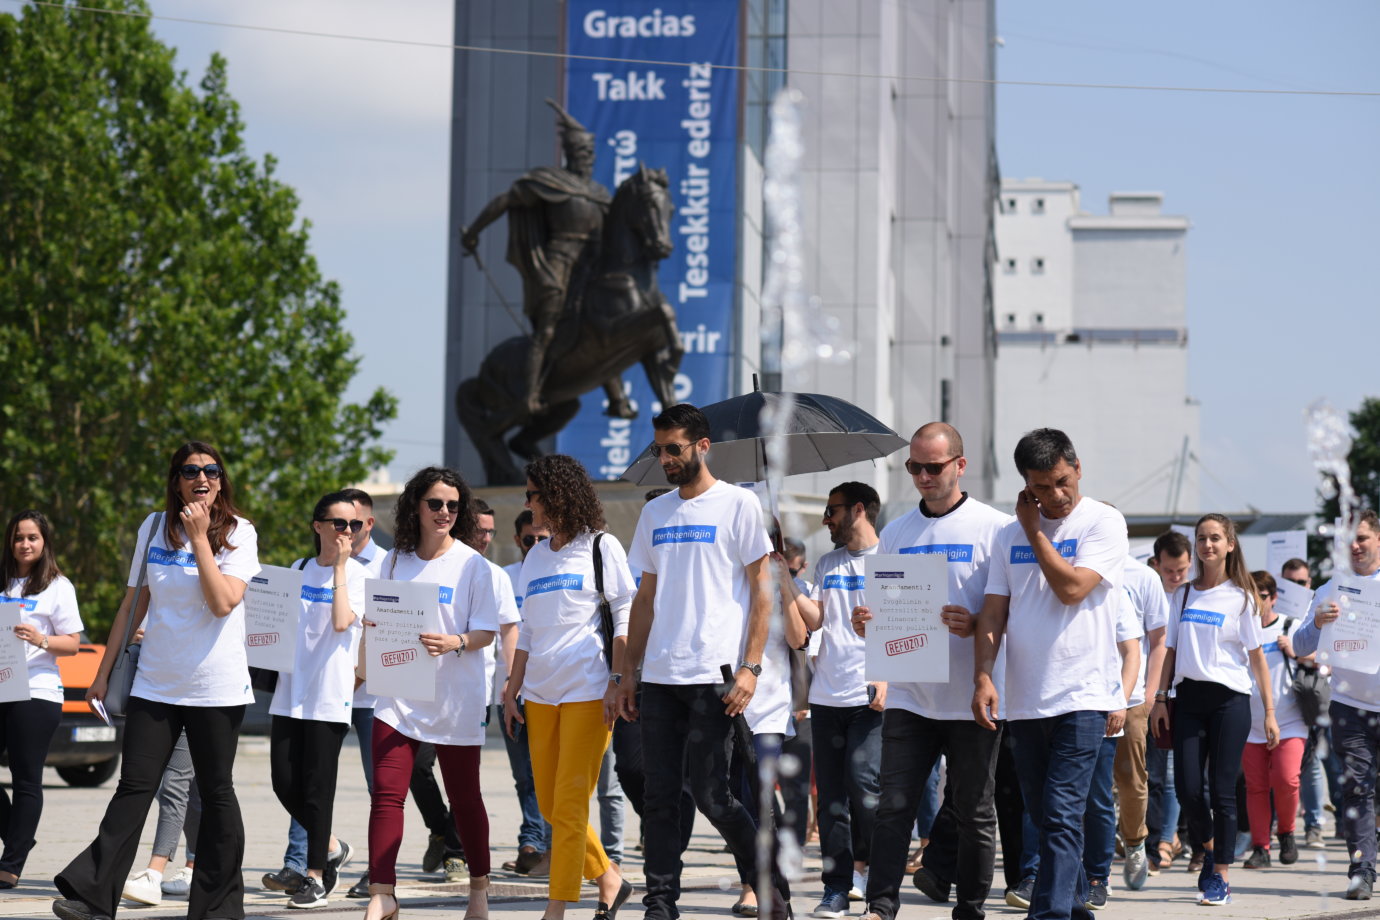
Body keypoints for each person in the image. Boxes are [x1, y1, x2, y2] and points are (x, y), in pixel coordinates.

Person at [54, 441, 261, 920]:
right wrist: (102, 673)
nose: (202, 478)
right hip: (155, 683)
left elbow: (223, 603)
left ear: (221, 481)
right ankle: (92, 897)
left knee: (216, 793)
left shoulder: (240, 532)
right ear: (176, 481)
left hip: (215, 687)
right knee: (134, 787)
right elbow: (132, 604)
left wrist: (201, 538)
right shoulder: (152, 527)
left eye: (211, 470)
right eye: (191, 471)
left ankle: (218, 908)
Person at [614, 403, 793, 920]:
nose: (666, 459)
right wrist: (628, 674)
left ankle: (769, 883)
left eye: (674, 449)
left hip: (715, 678)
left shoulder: (738, 505)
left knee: (716, 797)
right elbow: (644, 600)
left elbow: (762, 593)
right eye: (659, 450)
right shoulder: (655, 513)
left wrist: (751, 667)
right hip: (660, 679)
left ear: (703, 446)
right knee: (660, 798)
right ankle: (660, 903)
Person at [850, 423, 1010, 920]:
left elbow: (1012, 611)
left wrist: (976, 623)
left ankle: (970, 908)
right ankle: (880, 906)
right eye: (914, 466)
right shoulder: (896, 532)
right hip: (910, 696)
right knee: (893, 806)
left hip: (971, 697)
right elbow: (881, 614)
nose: (923, 475)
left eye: (933, 466)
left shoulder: (996, 528)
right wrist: (867, 623)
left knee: (974, 811)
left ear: (960, 465)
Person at [972, 428, 1129, 920]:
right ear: (1026, 483)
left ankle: (1050, 914)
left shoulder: (1104, 521)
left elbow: (1072, 589)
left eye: (1062, 481)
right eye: (1040, 487)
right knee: (1043, 816)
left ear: (1077, 468)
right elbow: (994, 611)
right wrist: (983, 676)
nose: (1055, 495)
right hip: (1024, 698)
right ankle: (1075, 905)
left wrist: (1034, 530)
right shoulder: (1007, 535)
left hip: (1083, 695)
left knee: (1061, 813)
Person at [503, 454, 634, 920]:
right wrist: (512, 689)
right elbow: (528, 630)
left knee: (572, 802)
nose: (528, 503)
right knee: (550, 803)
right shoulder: (536, 557)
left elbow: (624, 617)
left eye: (533, 495)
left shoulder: (601, 546)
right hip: (539, 694)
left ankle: (556, 907)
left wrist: (617, 680)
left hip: (588, 691)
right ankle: (610, 879)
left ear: (557, 495)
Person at [363, 467, 497, 920]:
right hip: (399, 694)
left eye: (453, 506)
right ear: (416, 506)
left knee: (464, 799)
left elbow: (486, 632)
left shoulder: (473, 564)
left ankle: (478, 889)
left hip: (455, 698)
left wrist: (456, 641)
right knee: (386, 794)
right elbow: (376, 612)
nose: (444, 512)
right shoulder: (393, 560)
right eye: (435, 503)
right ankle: (382, 893)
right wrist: (371, 624)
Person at [1149, 513, 1279, 907]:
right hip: (1188, 700)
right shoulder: (1183, 595)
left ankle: (1220, 874)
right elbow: (1170, 650)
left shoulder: (1243, 597)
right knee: (1188, 789)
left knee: (1222, 791)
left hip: (1230, 702)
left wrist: (1269, 711)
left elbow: (1257, 657)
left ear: (1230, 545)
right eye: (1202, 538)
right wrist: (1159, 698)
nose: (1208, 544)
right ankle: (1208, 847)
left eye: (1215, 538)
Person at [461, 100, 621, 418]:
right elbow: (505, 201)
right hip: (557, 264)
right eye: (582, 153)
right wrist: (474, 231)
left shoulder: (600, 194)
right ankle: (530, 393)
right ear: (570, 154)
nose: (587, 159)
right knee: (547, 328)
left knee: (605, 324)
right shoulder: (550, 182)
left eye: (590, 154)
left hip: (590, 268)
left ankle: (617, 398)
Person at [780, 482, 886, 919]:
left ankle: (879, 879)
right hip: (826, 697)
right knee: (832, 802)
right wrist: (785, 581)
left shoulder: (893, 557)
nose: (826, 519)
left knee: (865, 787)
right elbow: (816, 619)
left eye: (832, 510)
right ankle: (837, 889)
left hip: (871, 698)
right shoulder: (828, 563)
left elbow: (912, 626)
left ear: (858, 509)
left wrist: (890, 677)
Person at [267, 492, 368, 908]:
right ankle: (331, 845)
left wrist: (341, 566)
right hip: (290, 692)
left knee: (317, 789)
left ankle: (315, 877)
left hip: (329, 695)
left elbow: (342, 622)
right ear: (318, 526)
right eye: (339, 524)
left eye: (354, 525)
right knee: (283, 782)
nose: (348, 532)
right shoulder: (298, 569)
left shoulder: (358, 575)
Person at [1289, 509, 1380, 899]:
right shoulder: (1330, 588)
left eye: (1362, 537)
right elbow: (1300, 645)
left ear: (1378, 539)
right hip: (1348, 705)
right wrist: (1318, 623)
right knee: (1357, 790)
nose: (1355, 546)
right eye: (1348, 540)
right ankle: (1362, 871)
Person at [0, 511, 82, 890]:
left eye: (32, 537)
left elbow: (73, 644)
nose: (25, 544)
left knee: (26, 778)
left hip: (37, 692)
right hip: (1, 688)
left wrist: (41, 639)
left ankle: (11, 863)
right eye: (19, 537)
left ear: (44, 541)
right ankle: (19, 835)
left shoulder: (57, 586)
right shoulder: (2, 580)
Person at [499, 509, 555, 876]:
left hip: (552, 687)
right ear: (517, 540)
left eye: (541, 538)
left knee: (549, 775)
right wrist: (509, 683)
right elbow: (508, 634)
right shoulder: (504, 577)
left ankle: (549, 846)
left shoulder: (556, 570)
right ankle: (531, 843)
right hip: (511, 688)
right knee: (524, 776)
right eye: (528, 539)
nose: (535, 544)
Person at [1239, 570, 1306, 869]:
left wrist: (1295, 652)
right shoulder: (1242, 629)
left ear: (1274, 598)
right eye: (1251, 596)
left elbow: (1323, 658)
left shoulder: (1290, 626)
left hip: (1289, 721)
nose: (1257, 601)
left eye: (1262, 596)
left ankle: (1287, 832)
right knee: (1255, 787)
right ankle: (1260, 847)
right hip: (1250, 723)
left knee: (1286, 779)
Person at [1112, 552, 1171, 891]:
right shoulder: (1074, 565)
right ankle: (1093, 862)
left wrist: (1151, 694)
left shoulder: (1142, 576)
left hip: (1132, 698)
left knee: (1131, 778)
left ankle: (1135, 843)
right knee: (1087, 785)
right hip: (1083, 695)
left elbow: (1159, 639)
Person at [1145, 530, 1191, 873]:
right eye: (1169, 571)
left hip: (1186, 695)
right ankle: (1164, 837)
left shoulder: (1196, 595)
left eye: (1182, 570)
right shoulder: (1151, 595)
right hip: (1153, 696)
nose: (1175, 577)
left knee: (1178, 775)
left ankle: (1169, 838)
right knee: (1156, 775)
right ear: (1155, 564)